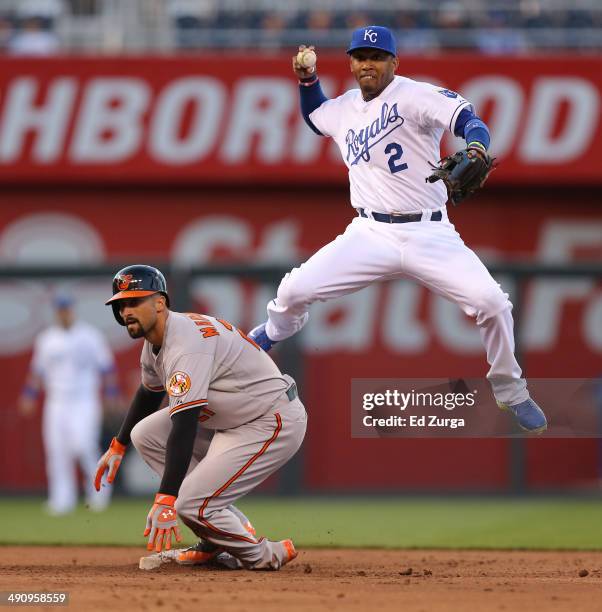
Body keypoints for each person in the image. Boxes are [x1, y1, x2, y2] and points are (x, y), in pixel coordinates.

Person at [249, 25, 547, 433]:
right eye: (360, 56)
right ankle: (273, 332)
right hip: (369, 233)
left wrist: (477, 146)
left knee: (493, 304)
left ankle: (510, 389)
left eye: (376, 56)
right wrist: (307, 81)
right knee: (293, 291)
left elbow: (467, 120)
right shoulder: (345, 107)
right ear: (351, 63)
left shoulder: (415, 94)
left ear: (394, 62)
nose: (367, 64)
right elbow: (315, 114)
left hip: (430, 233)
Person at [95, 265, 305, 570]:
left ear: (159, 302)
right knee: (145, 434)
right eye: (121, 304)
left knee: (190, 504)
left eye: (134, 302)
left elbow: (185, 424)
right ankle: (214, 540)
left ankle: (264, 555)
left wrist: (165, 499)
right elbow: (149, 392)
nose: (126, 311)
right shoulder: (157, 340)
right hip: (236, 419)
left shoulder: (185, 345)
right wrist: (118, 445)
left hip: (270, 421)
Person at [19, 293, 120, 514]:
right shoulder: (47, 338)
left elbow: (107, 368)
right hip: (56, 401)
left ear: (73, 310)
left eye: (67, 309)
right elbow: (37, 371)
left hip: (84, 399)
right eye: (60, 310)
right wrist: (29, 395)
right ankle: (61, 499)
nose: (64, 313)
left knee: (83, 445)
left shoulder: (90, 336)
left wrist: (112, 394)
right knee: (57, 450)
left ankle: (99, 493)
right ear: (56, 312)